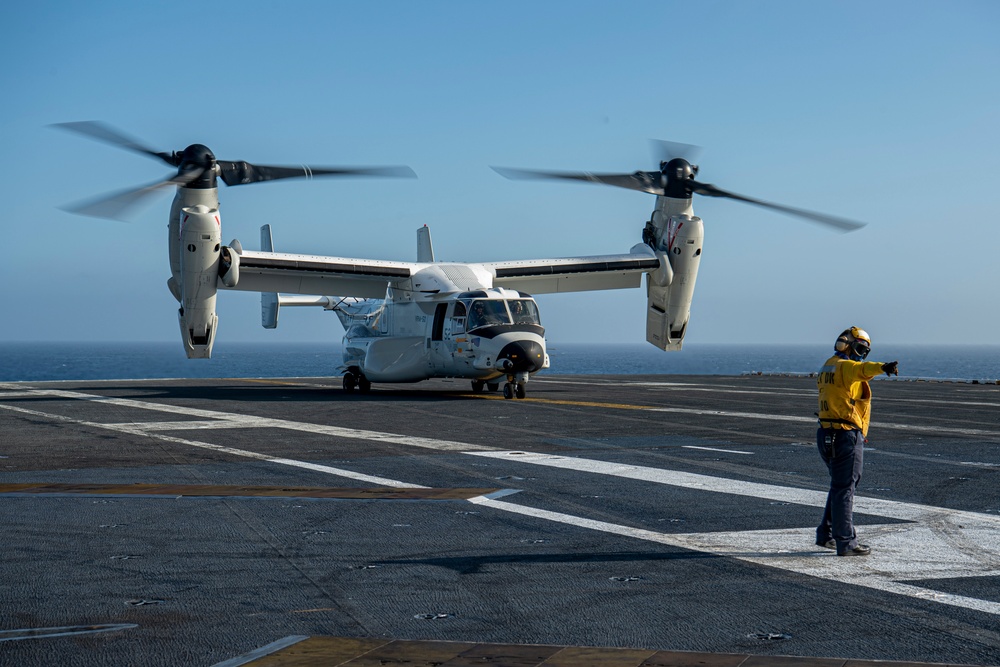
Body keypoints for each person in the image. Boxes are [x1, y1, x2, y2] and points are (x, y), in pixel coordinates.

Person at [815, 326, 899, 557]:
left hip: (825, 432)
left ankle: (827, 533)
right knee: (845, 487)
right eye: (860, 348)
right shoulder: (846, 367)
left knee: (839, 485)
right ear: (849, 345)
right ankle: (846, 543)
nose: (861, 354)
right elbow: (862, 369)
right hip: (845, 435)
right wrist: (883, 367)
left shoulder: (827, 366)